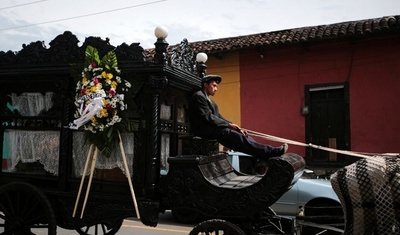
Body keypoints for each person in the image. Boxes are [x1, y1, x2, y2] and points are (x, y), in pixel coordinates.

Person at [188, 74, 288, 160]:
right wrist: (228, 125)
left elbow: (219, 117)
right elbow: (208, 117)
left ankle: (264, 154)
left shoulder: (211, 102)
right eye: (214, 86)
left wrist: (236, 127)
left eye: (216, 86)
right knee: (232, 135)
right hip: (203, 130)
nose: (216, 89)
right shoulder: (199, 96)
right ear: (205, 84)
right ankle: (270, 152)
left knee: (242, 135)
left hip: (213, 129)